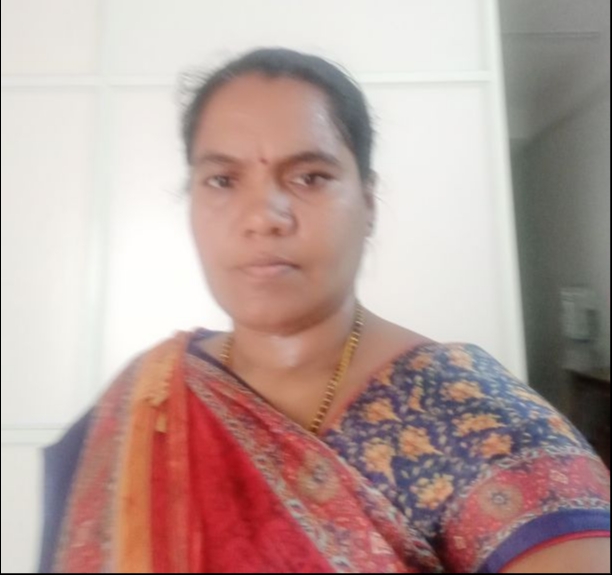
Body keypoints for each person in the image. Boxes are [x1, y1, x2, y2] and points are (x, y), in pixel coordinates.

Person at [40, 48, 610, 573]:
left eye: (310, 177)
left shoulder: (472, 417)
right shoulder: (150, 398)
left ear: (368, 203)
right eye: (222, 180)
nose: (263, 216)